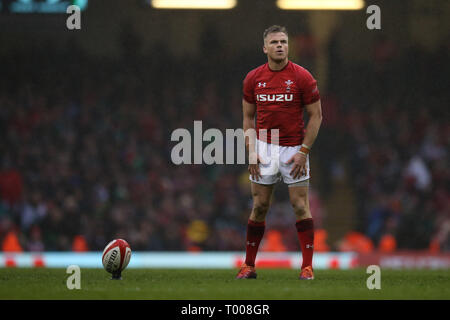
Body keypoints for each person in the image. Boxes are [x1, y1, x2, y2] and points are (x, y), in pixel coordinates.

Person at [237, 25, 322, 280]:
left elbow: (316, 116)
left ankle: (307, 267)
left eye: (284, 41)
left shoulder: (303, 77)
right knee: (260, 206)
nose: (280, 46)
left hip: (294, 147)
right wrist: (252, 152)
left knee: (299, 205)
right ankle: (249, 265)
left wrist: (304, 151)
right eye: (274, 42)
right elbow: (247, 120)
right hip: (264, 146)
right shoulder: (253, 78)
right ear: (265, 48)